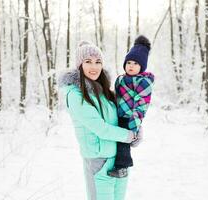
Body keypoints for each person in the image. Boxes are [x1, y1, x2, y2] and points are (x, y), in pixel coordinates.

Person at [59, 41, 139, 200]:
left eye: (98, 62)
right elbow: (101, 128)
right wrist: (129, 136)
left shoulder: (104, 92)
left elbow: (121, 116)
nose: (93, 67)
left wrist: (136, 130)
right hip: (99, 162)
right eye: (88, 62)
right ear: (79, 65)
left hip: (119, 160)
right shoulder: (76, 95)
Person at [107, 35, 154, 178]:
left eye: (135, 63)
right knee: (116, 141)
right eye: (129, 62)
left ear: (142, 66)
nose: (131, 66)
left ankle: (122, 168)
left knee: (123, 143)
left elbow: (141, 104)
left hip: (130, 118)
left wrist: (134, 125)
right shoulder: (121, 79)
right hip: (118, 114)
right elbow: (115, 96)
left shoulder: (143, 82)